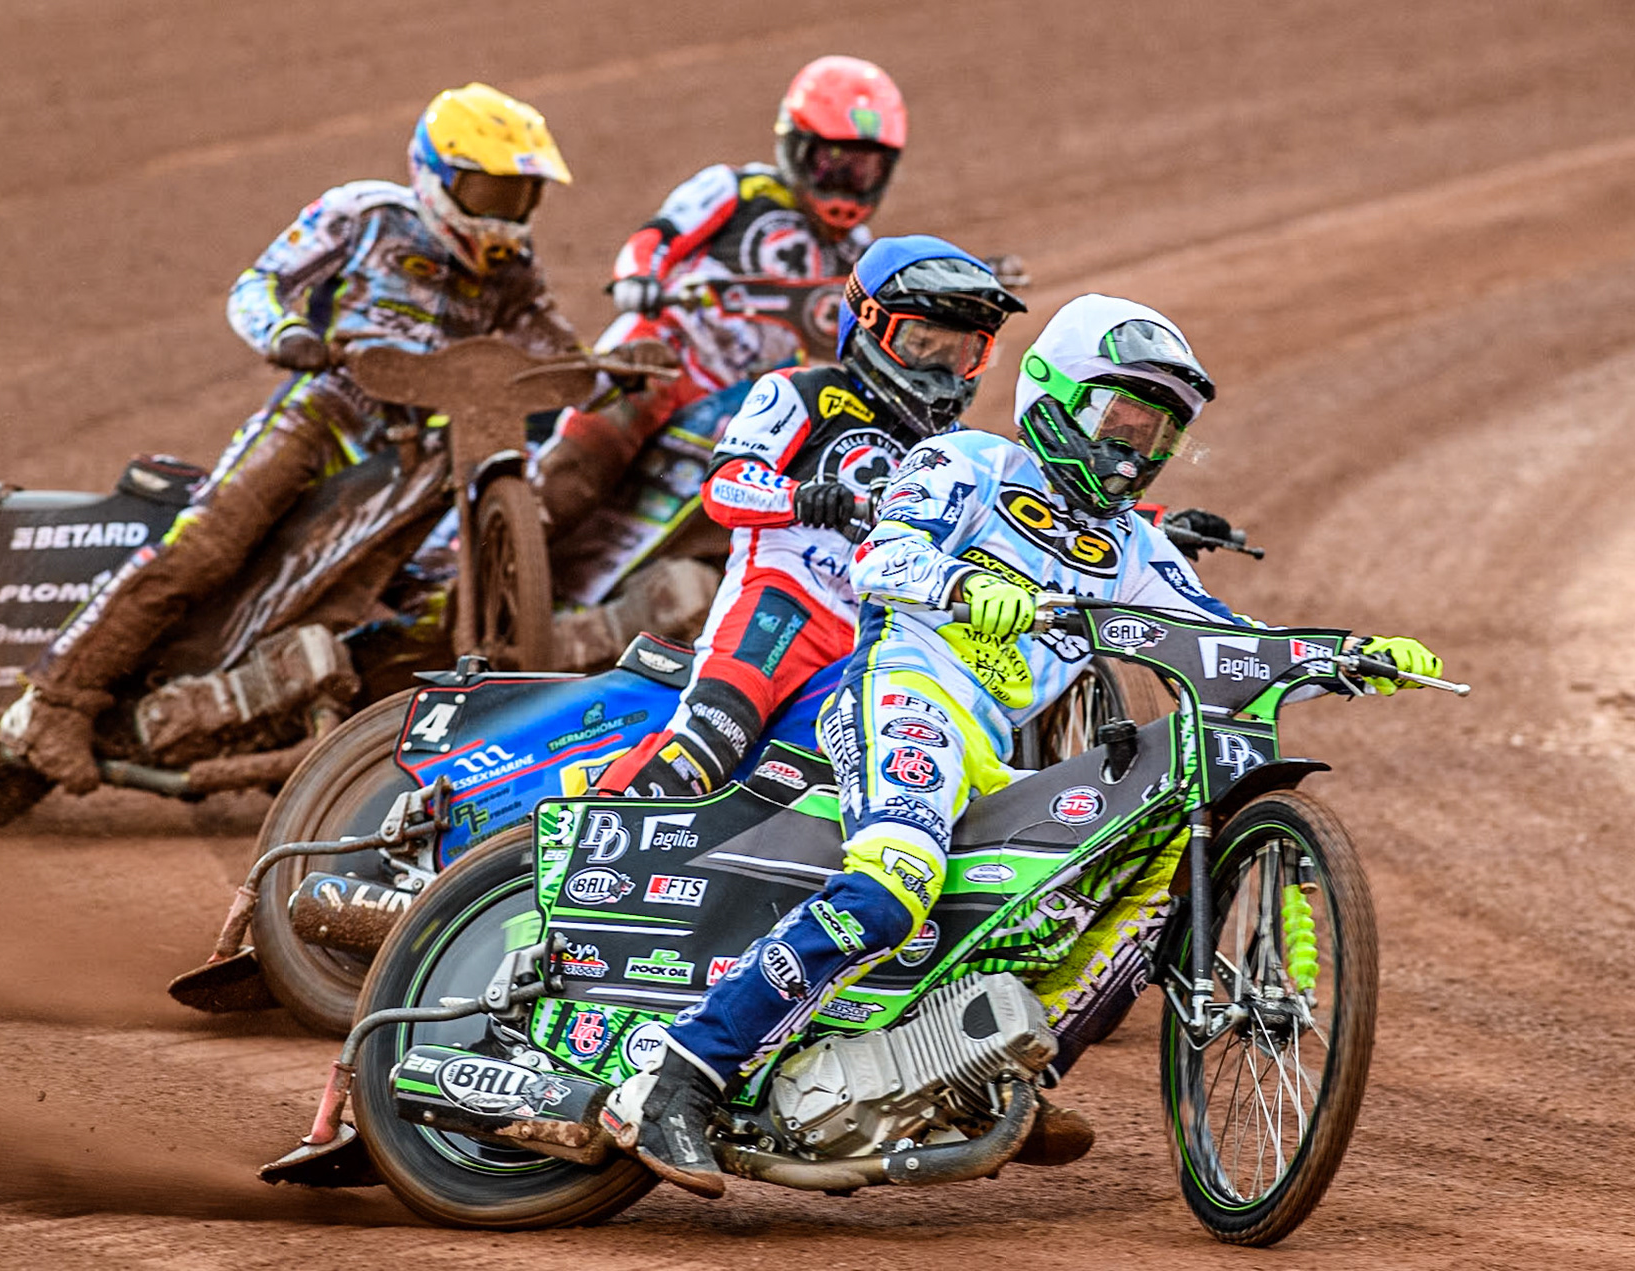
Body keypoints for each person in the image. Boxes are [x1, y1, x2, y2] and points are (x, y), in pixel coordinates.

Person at [607, 293, 1445, 1197]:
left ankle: (978, 1069)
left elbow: (1220, 638)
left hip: (991, 748)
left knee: (1074, 894)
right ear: (1055, 393)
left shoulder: (1132, 544)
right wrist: (965, 583)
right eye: (1121, 419)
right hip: (902, 691)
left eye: (1160, 433)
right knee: (895, 879)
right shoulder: (965, 461)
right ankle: (678, 1077)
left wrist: (1344, 655)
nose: (1137, 448)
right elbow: (879, 561)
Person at [13, 83, 581, 794]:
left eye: (518, 196)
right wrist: (287, 333)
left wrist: (617, 368)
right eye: (489, 191)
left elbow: (554, 346)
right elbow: (257, 286)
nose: (504, 215)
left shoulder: (513, 273)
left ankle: (291, 726)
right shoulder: (366, 214)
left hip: (415, 455)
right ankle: (58, 699)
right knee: (209, 544)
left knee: (394, 597)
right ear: (438, 175)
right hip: (325, 416)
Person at [592, 235, 1023, 799]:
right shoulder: (804, 392)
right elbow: (724, 485)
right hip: (785, 600)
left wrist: (1150, 523)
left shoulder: (961, 448)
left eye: (964, 352)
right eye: (924, 344)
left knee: (845, 789)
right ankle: (586, 837)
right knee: (706, 742)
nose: (944, 370)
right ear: (870, 322)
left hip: (877, 636)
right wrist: (804, 497)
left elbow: (1033, 513)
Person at [535, 55, 914, 541]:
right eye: (832, 164)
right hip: (662, 360)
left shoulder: (859, 255)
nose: (847, 184)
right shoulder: (736, 189)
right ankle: (474, 564)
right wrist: (639, 278)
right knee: (572, 481)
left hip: (742, 402)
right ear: (797, 148)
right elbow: (659, 237)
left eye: (864, 171)